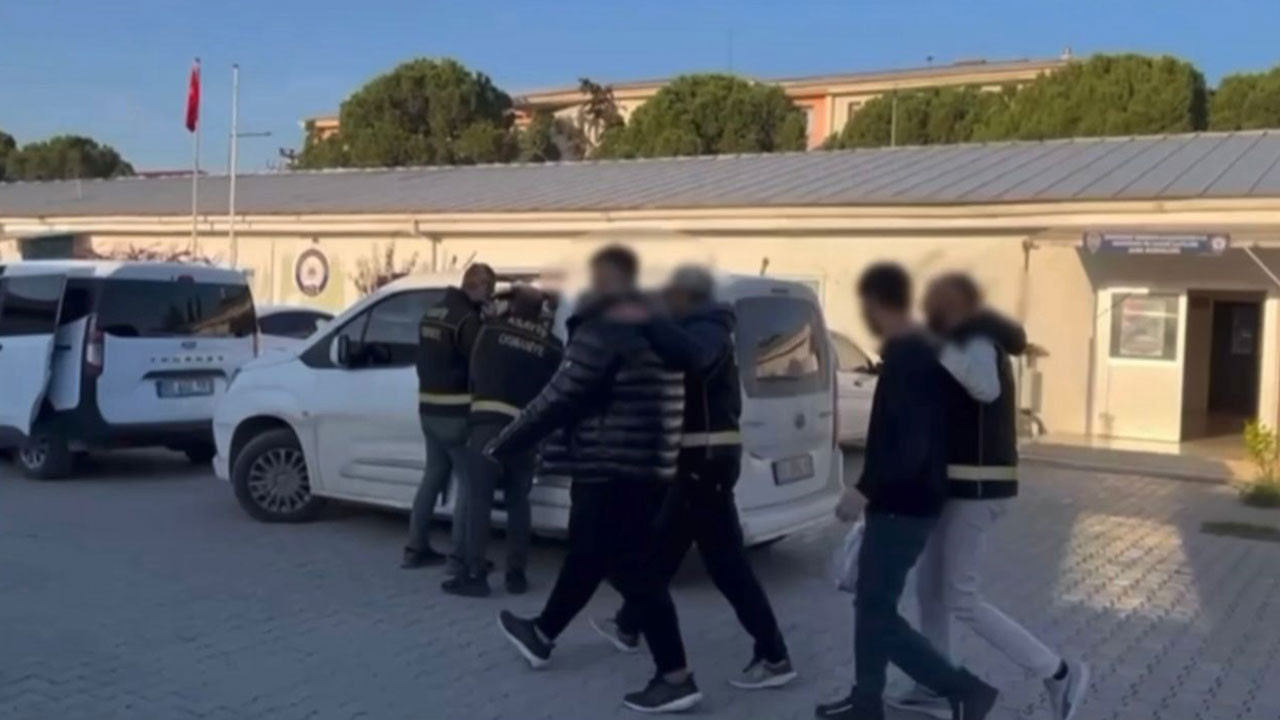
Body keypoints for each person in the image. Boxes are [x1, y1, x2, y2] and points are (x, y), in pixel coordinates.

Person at [488, 245, 701, 714]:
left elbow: (561, 396)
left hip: (608, 465)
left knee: (634, 569)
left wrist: (505, 445)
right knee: (589, 554)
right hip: (648, 466)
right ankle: (542, 633)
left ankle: (675, 676)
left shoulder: (608, 327)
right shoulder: (658, 326)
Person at [885, 274, 1089, 720]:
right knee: (929, 591)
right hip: (955, 486)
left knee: (960, 596)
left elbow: (985, 387)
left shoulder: (972, 339)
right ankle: (937, 682)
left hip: (978, 487)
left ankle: (1059, 672)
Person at [590, 266, 795, 690]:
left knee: (727, 567)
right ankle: (629, 624)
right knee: (662, 549)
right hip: (694, 461)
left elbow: (695, 358)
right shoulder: (692, 327)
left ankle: (774, 655)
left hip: (707, 461)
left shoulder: (710, 327)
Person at [817, 263, 998, 720]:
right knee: (872, 604)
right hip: (909, 498)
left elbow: (909, 441)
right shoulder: (916, 352)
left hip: (904, 502)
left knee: (876, 610)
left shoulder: (910, 356)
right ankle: (866, 699)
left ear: (876, 305)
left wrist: (864, 489)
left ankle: (964, 688)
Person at [443, 284, 563, 598]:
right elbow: (555, 391)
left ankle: (474, 575)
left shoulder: (491, 331)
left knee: (479, 501)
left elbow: (474, 375)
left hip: (487, 425)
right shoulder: (552, 345)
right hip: (524, 430)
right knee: (518, 501)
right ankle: (516, 575)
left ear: (513, 306)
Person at [403, 263, 496, 569]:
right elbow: (481, 363)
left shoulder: (433, 312)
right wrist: (490, 324)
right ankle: (460, 558)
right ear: (480, 287)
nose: (491, 297)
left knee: (433, 475)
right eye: (490, 291)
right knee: (468, 484)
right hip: (457, 413)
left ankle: (415, 548)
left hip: (428, 410)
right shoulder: (467, 320)